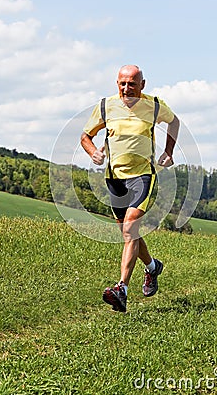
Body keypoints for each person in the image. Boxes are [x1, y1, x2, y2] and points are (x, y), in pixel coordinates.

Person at [81, 65, 179, 312]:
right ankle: (152, 266)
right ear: (117, 84)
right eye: (122, 83)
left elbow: (174, 122)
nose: (127, 88)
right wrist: (93, 153)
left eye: (132, 84)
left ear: (142, 85)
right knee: (128, 233)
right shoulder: (106, 106)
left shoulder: (154, 105)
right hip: (114, 177)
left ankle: (121, 288)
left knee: (131, 226)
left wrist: (169, 151)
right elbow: (85, 136)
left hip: (143, 175)